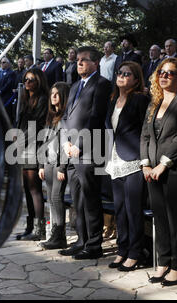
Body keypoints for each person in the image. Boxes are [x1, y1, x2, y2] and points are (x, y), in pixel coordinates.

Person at [140, 57, 177, 286]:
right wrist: (145, 163)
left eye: (170, 73)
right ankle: (163, 262)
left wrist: (163, 164)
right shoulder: (155, 101)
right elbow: (144, 134)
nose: (164, 76)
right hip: (151, 170)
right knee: (160, 219)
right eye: (161, 72)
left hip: (175, 170)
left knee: (176, 220)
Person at [59, 46, 112, 260]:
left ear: (95, 63)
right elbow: (64, 117)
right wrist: (65, 143)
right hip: (70, 152)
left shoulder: (102, 84)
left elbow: (95, 117)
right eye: (78, 59)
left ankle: (94, 245)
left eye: (84, 59)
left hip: (89, 150)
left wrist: (79, 144)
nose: (79, 62)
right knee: (77, 200)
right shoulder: (73, 87)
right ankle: (81, 240)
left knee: (90, 199)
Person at [105, 61, 149, 272]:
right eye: (120, 72)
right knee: (119, 210)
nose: (122, 75)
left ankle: (135, 253)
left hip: (133, 160)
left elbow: (146, 131)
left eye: (127, 73)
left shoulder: (140, 99)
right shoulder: (113, 99)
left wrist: (145, 159)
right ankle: (122, 250)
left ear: (136, 79)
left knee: (133, 210)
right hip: (115, 159)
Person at [15, 67, 49, 241]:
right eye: (25, 79)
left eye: (31, 80)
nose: (27, 83)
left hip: (34, 147)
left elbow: (37, 128)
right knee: (28, 191)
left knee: (35, 190)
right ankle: (30, 228)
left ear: (39, 81)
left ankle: (39, 230)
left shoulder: (43, 99)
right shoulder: (26, 98)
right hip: (24, 147)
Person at [38, 82, 70, 250]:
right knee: (51, 198)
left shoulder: (66, 117)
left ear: (64, 96)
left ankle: (59, 236)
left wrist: (62, 167)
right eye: (52, 93)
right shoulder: (51, 116)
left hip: (58, 165)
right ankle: (54, 236)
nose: (53, 96)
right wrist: (42, 165)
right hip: (48, 163)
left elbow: (66, 144)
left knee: (57, 199)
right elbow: (45, 141)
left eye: (57, 94)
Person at [0, 57, 17, 122]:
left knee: (7, 115)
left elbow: (8, 84)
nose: (1, 64)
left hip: (7, 97)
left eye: (4, 62)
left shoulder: (11, 73)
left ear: (8, 64)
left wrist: (1, 91)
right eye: (1, 62)